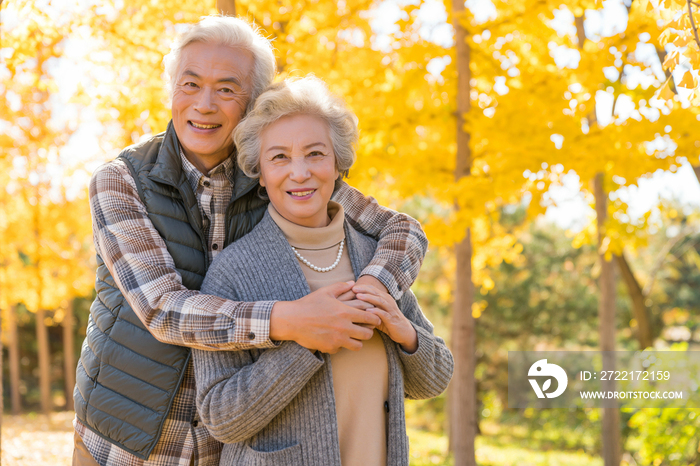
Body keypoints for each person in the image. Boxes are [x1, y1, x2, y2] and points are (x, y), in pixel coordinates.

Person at [73, 16, 428, 466]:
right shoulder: (120, 181)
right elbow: (161, 309)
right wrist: (291, 320)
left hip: (228, 447)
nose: (204, 104)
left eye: (226, 89)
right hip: (129, 440)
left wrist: (376, 286)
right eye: (190, 84)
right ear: (171, 91)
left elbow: (403, 231)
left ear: (253, 101)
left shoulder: (278, 170)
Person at [193, 76, 453, 466]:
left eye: (315, 154)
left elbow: (435, 379)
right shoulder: (233, 271)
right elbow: (220, 417)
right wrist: (306, 341)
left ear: (337, 165)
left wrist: (405, 332)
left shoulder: (374, 258)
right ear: (261, 174)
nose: (299, 173)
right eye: (279, 157)